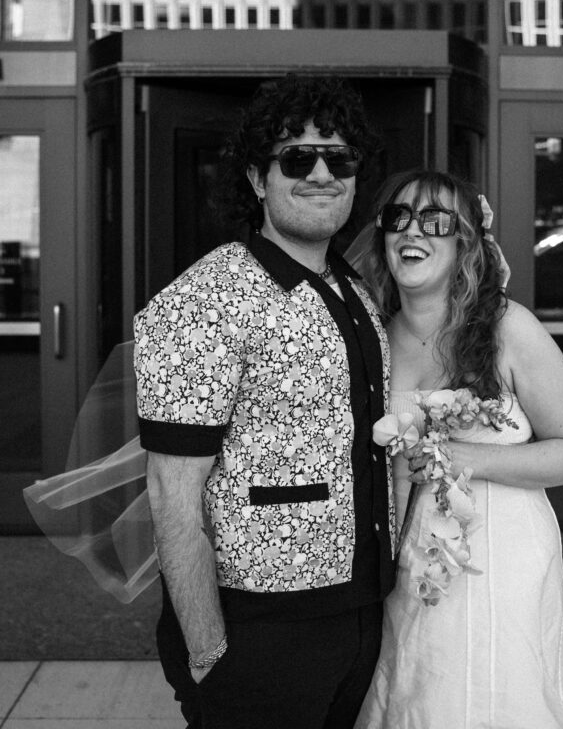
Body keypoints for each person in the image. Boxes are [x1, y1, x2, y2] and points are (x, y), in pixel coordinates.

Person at [133, 73, 395, 729]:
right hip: (260, 631)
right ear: (257, 178)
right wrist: (206, 652)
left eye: (340, 159)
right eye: (297, 158)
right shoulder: (205, 300)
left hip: (360, 610)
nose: (322, 174)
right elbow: (170, 494)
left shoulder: (354, 288)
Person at [353, 169, 563, 729]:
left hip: (501, 556)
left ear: (465, 241)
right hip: (409, 559)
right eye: (399, 217)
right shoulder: (373, 337)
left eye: (435, 220)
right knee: (419, 694)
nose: (414, 230)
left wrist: (465, 458)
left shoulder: (510, 330)